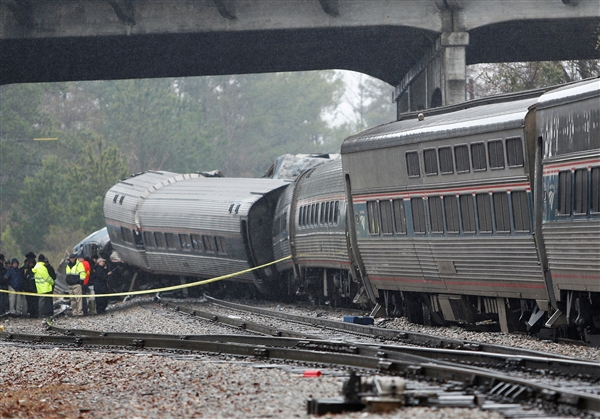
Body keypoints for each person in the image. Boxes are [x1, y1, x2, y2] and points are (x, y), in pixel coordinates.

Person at [33, 254, 54, 318]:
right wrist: (52, 282)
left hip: (40, 287)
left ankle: (42, 314)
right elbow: (47, 278)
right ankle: (43, 314)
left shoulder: (36, 267)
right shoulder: (42, 268)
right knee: (44, 302)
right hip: (45, 287)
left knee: (42, 301)